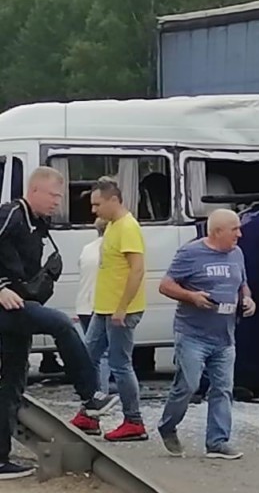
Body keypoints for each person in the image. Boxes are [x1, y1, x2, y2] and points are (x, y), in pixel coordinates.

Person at [0, 167, 118, 479]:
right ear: (34, 191)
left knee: (12, 381)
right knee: (62, 324)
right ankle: (91, 395)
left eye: (59, 197)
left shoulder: (40, 223)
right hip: (6, 304)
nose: (57, 202)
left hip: (20, 306)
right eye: (53, 195)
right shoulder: (10, 214)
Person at [157, 209, 254, 460]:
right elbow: (165, 285)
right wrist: (191, 297)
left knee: (223, 389)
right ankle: (168, 426)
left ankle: (217, 442)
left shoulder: (237, 254)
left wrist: (248, 299)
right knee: (188, 385)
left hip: (224, 337)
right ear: (217, 231)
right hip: (192, 334)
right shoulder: (190, 253)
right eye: (235, 230)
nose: (240, 234)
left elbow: (242, 283)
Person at [78, 178, 148, 442]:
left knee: (120, 363)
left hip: (120, 310)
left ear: (114, 201)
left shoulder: (128, 227)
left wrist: (122, 308)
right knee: (87, 356)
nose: (94, 210)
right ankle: (89, 412)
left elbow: (137, 269)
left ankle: (134, 421)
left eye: (97, 204)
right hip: (104, 308)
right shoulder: (113, 226)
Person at [74, 218, 111, 399]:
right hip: (100, 305)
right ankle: (100, 393)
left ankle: (92, 391)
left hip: (83, 304)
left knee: (91, 353)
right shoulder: (112, 249)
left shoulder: (87, 248)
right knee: (103, 354)